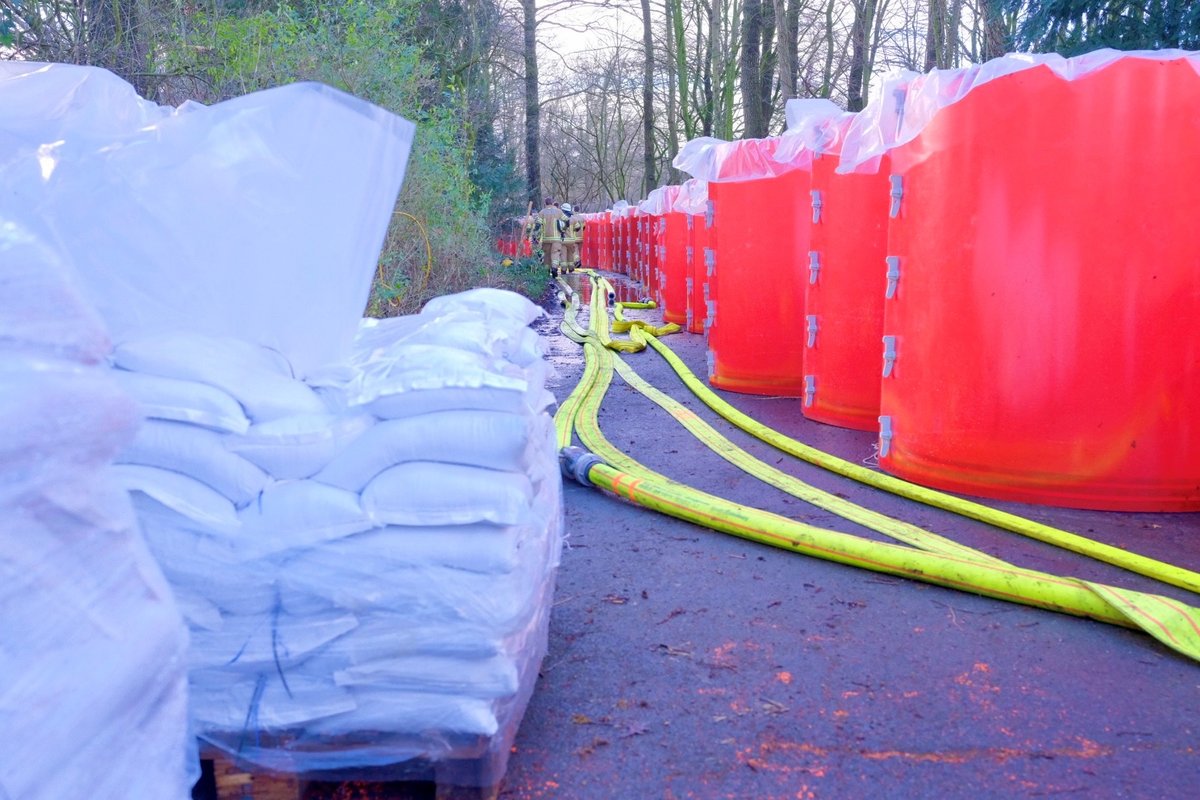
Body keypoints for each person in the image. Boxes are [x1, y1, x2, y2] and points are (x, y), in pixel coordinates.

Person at [538, 196, 565, 277]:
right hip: (556, 238)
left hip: (546, 238)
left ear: (545, 203)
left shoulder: (542, 212)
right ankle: (554, 268)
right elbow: (566, 221)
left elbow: (538, 225)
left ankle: (546, 271)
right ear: (552, 203)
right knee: (555, 253)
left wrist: (537, 237)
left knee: (547, 255)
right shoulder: (559, 211)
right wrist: (562, 230)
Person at [561, 202, 585, 272]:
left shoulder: (560, 219)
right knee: (571, 254)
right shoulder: (574, 218)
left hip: (563, 240)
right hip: (572, 240)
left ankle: (564, 269)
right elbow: (578, 228)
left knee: (563, 255)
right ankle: (571, 268)